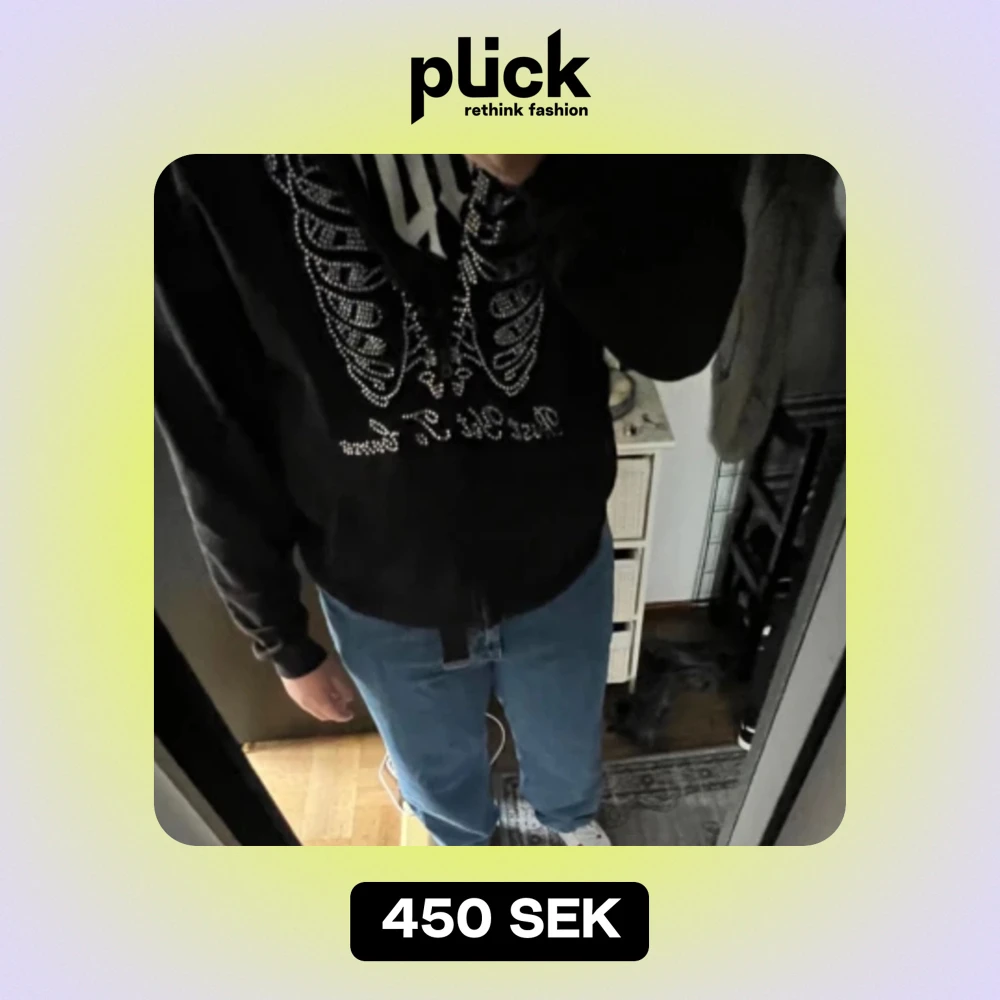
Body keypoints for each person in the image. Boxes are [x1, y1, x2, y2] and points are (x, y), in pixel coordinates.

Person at [154, 153, 745, 846]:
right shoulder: (204, 159)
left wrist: (550, 176)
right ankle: (459, 849)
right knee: (435, 780)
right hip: (378, 585)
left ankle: (568, 819)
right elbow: (211, 425)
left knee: (566, 742)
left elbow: (677, 334)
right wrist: (278, 636)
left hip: (559, 554)